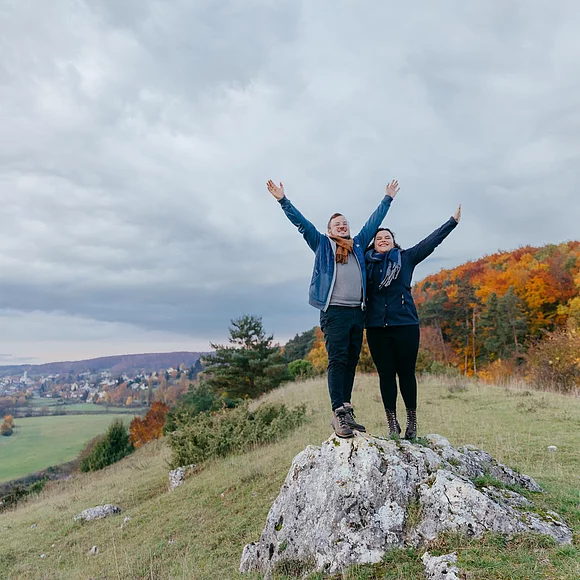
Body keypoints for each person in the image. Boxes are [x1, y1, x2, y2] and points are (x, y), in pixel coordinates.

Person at [266, 179, 400, 438]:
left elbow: (373, 223)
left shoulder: (359, 245)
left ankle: (347, 409)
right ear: (329, 231)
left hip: (356, 313)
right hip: (335, 312)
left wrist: (387, 199)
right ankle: (338, 413)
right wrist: (283, 200)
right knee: (337, 360)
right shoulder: (322, 245)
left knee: (350, 361)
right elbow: (301, 224)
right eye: (337, 224)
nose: (342, 226)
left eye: (345, 223)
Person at [364, 205, 461, 439]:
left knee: (406, 373)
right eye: (379, 238)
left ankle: (412, 422)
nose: (383, 240)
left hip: (406, 325)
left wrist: (452, 222)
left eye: (387, 237)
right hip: (376, 328)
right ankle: (391, 423)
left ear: (394, 242)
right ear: (373, 244)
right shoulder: (365, 265)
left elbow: (430, 242)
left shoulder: (406, 258)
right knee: (386, 375)